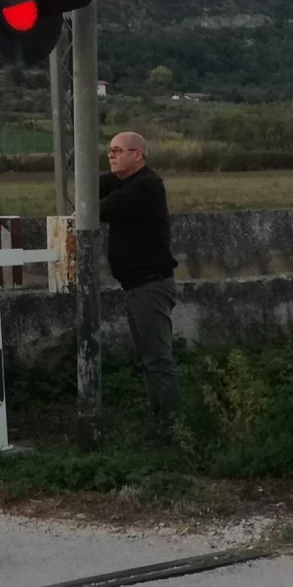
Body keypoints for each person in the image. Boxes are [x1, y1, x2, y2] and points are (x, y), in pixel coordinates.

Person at [98, 132, 180, 438]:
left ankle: (172, 429)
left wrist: (83, 210)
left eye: (118, 151)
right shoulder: (126, 182)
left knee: (158, 360)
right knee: (148, 360)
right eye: (109, 151)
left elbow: (103, 207)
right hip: (136, 286)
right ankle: (158, 422)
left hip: (150, 286)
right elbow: (91, 188)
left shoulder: (146, 185)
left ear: (138, 155)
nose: (111, 155)